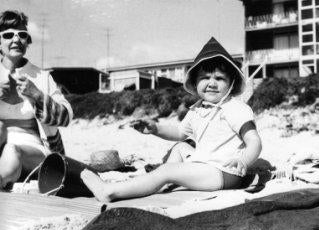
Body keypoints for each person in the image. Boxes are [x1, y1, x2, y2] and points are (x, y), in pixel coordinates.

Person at [81, 36, 262, 202]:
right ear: (195, 82)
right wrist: (156, 129)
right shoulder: (198, 109)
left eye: (220, 78)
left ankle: (109, 192)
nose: (212, 83)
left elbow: (254, 141)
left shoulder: (234, 108)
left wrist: (244, 161)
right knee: (181, 147)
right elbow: (180, 133)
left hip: (224, 173)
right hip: (205, 166)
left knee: (168, 170)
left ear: (231, 84)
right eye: (205, 78)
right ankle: (163, 180)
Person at [0, 10, 73, 189]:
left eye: (22, 35)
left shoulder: (41, 76)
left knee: (12, 150)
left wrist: (37, 95)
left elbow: (66, 117)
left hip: (31, 149)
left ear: (28, 41)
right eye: (9, 35)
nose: (16, 40)